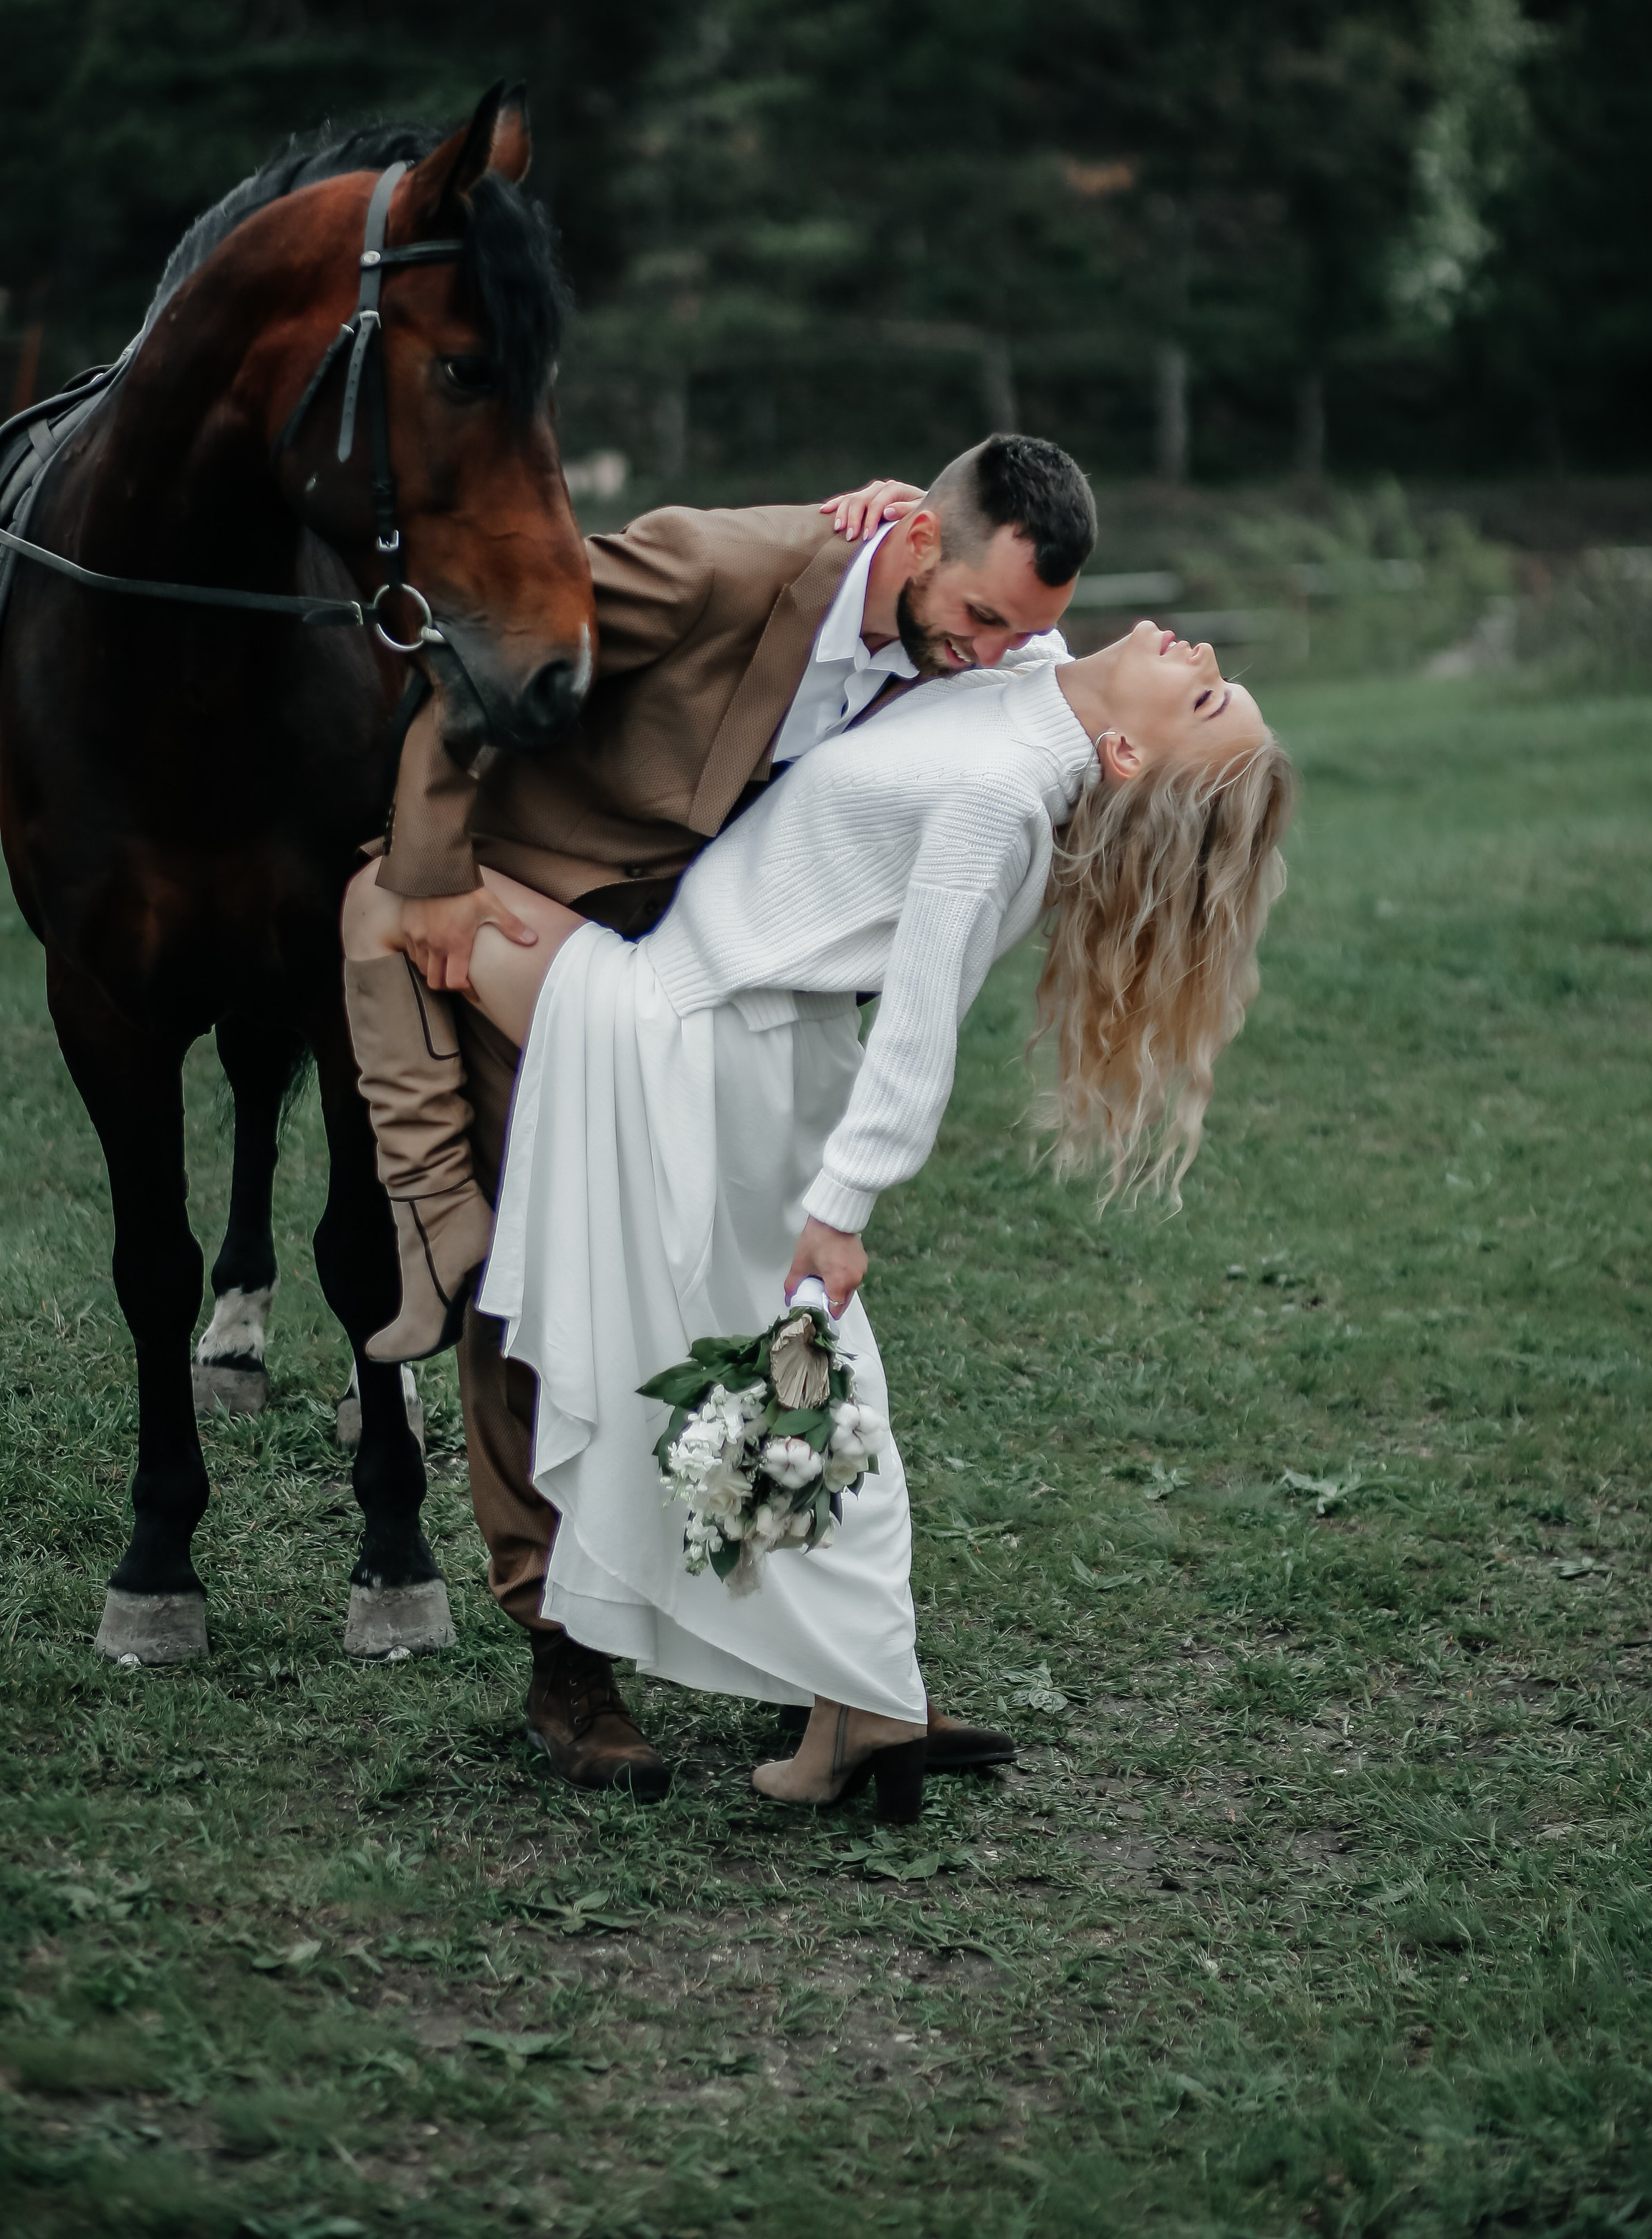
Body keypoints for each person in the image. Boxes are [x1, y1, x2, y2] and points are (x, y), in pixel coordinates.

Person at [344, 622, 1293, 1820]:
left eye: (1207, 699)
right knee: (817, 1382)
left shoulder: (1000, 800)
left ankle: (432, 1224)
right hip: (761, 1047)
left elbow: (921, 1026)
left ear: (1121, 758)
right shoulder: (1024, 692)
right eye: (1217, 676)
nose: (1202, 653)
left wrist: (844, 1208)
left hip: (686, 1034)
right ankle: (872, 1699)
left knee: (383, 896)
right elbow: (984, 620)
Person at [344, 434, 1098, 1792]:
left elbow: (1067, 684)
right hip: (539, 921)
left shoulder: (976, 644)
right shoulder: (719, 565)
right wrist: (436, 873)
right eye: (986, 617)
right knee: (541, 1282)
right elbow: (482, 658)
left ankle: (803, 1652)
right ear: (920, 542)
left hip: (725, 991)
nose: (993, 654)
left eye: (1023, 632)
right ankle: (565, 1650)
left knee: (760, 1313)